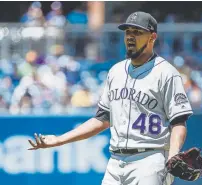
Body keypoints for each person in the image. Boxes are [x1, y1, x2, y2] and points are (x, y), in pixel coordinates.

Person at [28, 11, 193, 185]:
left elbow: (179, 122)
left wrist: (173, 155)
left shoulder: (167, 73)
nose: (130, 36)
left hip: (150, 159)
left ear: (152, 37)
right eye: (128, 32)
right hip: (115, 161)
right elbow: (102, 119)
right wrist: (59, 139)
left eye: (137, 32)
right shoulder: (115, 71)